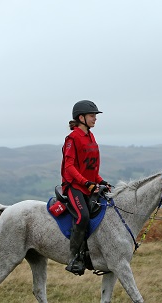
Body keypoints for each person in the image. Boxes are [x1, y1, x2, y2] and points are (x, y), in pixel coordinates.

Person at [60, 100, 110, 275]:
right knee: (83, 216)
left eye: (95, 115)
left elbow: (90, 167)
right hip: (74, 186)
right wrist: (87, 184)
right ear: (81, 118)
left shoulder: (90, 136)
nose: (95, 118)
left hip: (89, 186)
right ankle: (74, 258)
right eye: (92, 115)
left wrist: (100, 181)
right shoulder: (72, 139)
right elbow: (70, 167)